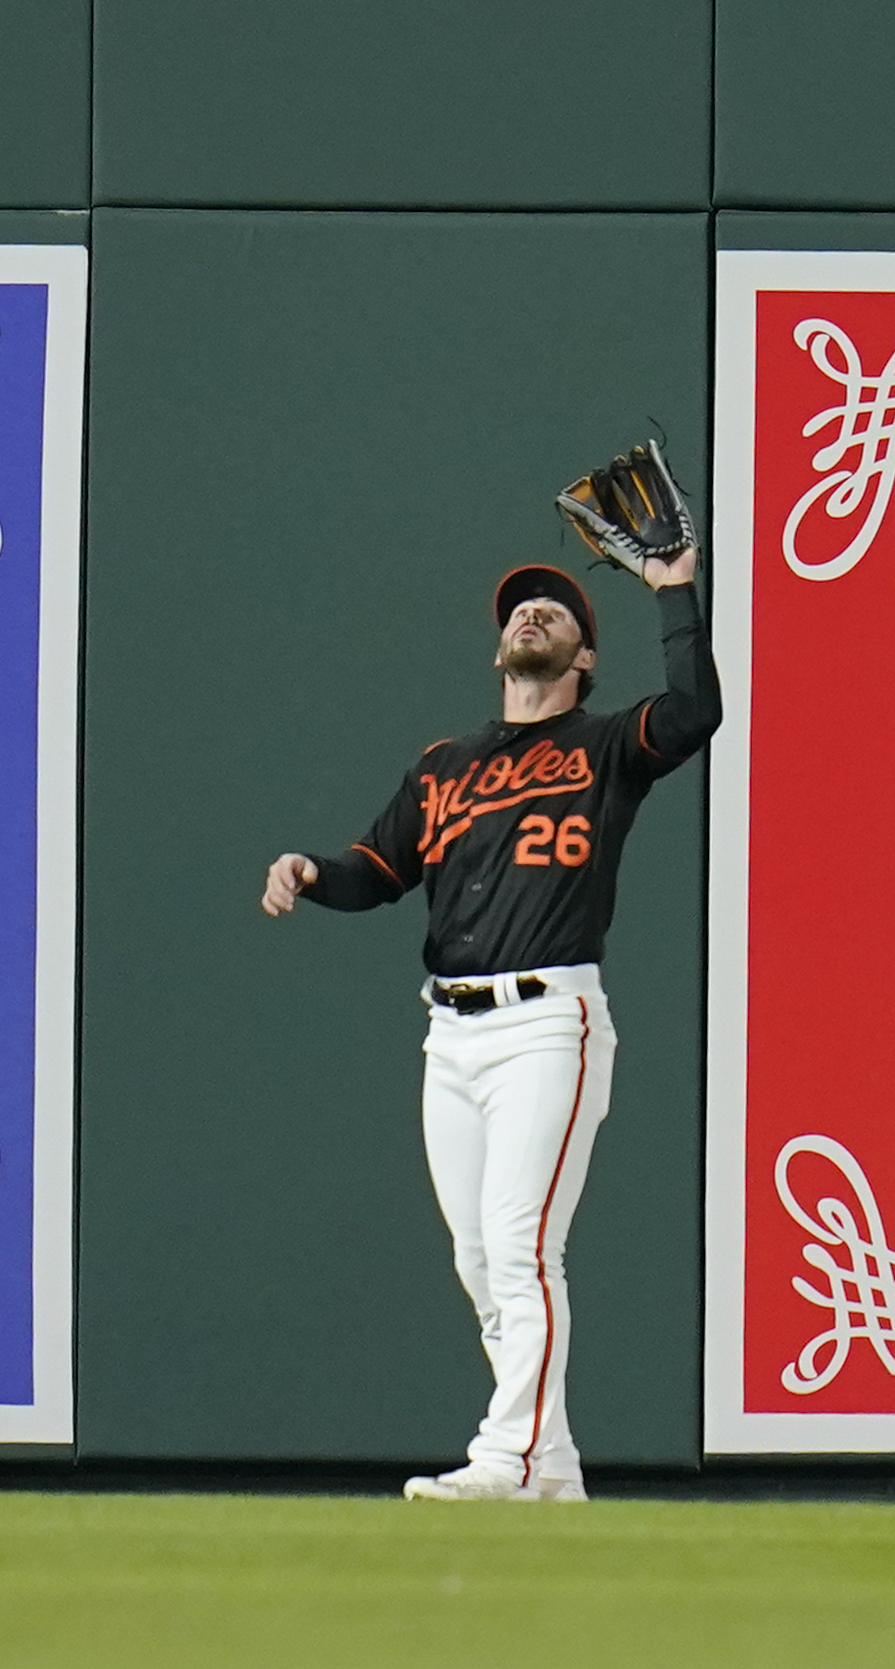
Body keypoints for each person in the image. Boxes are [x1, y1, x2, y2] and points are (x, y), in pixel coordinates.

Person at [256, 524, 714, 1506]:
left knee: (519, 1243)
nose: (532, 611)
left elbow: (692, 712)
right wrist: (310, 870)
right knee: (479, 1255)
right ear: (499, 647)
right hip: (451, 1032)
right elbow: (378, 870)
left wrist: (673, 588)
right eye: (520, 606)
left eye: (556, 608)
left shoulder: (603, 744)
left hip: (549, 1020)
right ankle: (549, 1464)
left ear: (584, 657)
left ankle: (505, 1453)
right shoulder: (445, 766)